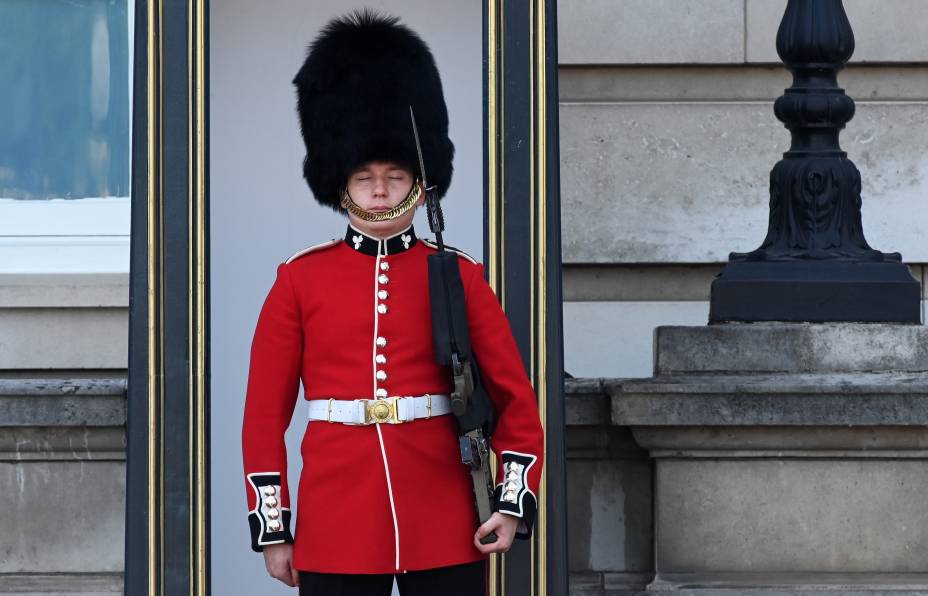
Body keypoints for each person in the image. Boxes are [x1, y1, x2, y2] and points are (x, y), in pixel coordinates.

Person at [241, 10, 544, 595]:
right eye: (364, 177)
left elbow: (516, 402)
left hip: (444, 517)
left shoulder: (460, 276)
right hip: (337, 520)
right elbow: (263, 419)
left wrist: (508, 502)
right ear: (340, 185)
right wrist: (274, 528)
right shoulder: (298, 281)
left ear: (420, 183)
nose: (380, 190)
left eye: (397, 175)